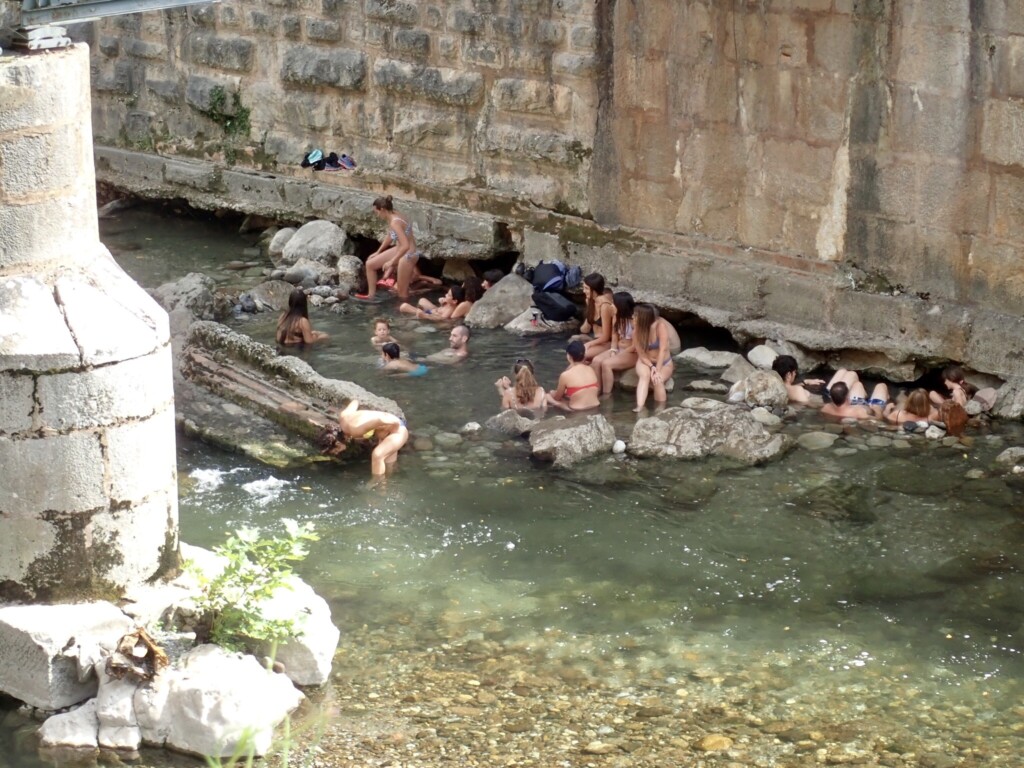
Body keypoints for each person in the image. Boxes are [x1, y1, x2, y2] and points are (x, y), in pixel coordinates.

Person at [316, 399, 409, 476]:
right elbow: (355, 401)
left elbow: (381, 419)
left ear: (337, 443)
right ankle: (393, 479)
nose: (337, 453)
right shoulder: (342, 417)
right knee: (389, 467)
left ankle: (379, 488)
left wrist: (394, 429)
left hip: (398, 430)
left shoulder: (356, 430)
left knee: (377, 456)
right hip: (387, 433)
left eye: (336, 451)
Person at [359, 195, 421, 301]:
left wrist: (392, 262)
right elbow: (390, 235)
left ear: (382, 209)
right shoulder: (393, 214)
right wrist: (378, 252)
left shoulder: (395, 222)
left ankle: (404, 314)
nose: (377, 215)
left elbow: (405, 245)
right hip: (400, 249)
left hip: (409, 254)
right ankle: (371, 297)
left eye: (377, 212)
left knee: (402, 293)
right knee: (370, 264)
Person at [591, 291, 637, 395]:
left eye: (613, 303)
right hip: (619, 349)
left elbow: (635, 346)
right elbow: (615, 335)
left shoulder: (635, 321)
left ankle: (607, 394)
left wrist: (619, 355)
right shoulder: (616, 317)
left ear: (621, 306)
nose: (611, 305)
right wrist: (613, 350)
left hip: (632, 352)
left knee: (607, 364)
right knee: (596, 361)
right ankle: (597, 390)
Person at [632, 304, 675, 412]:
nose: (632, 317)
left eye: (635, 315)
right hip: (646, 361)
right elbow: (641, 354)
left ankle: (660, 410)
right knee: (644, 376)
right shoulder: (636, 331)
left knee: (657, 380)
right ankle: (640, 406)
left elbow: (663, 350)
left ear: (643, 318)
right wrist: (651, 366)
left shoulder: (660, 327)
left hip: (664, 362)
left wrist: (657, 370)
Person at [546, 340, 600, 411]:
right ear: (584, 355)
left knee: (548, 395)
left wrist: (553, 395)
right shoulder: (590, 369)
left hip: (576, 410)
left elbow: (557, 398)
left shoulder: (565, 375)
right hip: (595, 406)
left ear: (569, 356)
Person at [820, 370, 887, 419]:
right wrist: (878, 410)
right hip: (871, 406)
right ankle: (867, 396)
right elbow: (878, 419)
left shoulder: (826, 408)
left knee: (858, 385)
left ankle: (865, 395)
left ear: (832, 397)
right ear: (847, 396)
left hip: (855, 404)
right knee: (881, 386)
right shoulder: (859, 413)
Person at [578, 274, 615, 360]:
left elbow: (606, 336)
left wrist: (589, 344)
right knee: (573, 351)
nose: (584, 291)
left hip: (607, 343)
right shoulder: (590, 301)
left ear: (594, 290)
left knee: (579, 355)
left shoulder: (605, 306)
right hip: (596, 339)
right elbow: (585, 329)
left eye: (586, 288)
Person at [399, 285, 473, 321]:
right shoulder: (449, 303)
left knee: (404, 306)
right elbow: (441, 303)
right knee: (422, 300)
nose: (446, 295)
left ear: (454, 301)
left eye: (448, 295)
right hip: (434, 310)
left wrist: (425, 315)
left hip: (429, 314)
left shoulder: (450, 309)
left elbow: (441, 319)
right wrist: (442, 302)